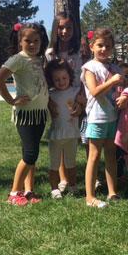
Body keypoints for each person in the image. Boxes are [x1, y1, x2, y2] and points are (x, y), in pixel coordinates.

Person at [0, 22, 50, 206]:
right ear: (20, 41)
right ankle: (13, 193)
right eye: (28, 41)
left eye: (36, 41)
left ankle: (29, 191)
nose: (32, 44)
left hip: (40, 114)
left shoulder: (39, 59)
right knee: (30, 154)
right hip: (26, 115)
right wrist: (11, 100)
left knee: (32, 154)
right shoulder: (18, 59)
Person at [80, 28, 128, 208]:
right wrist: (112, 81)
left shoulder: (115, 68)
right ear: (92, 46)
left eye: (108, 46)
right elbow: (94, 91)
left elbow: (122, 89)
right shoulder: (89, 67)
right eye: (100, 45)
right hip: (96, 118)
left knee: (110, 155)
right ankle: (90, 196)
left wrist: (124, 96)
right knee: (94, 156)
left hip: (112, 117)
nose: (104, 49)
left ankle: (112, 192)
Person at [46, 11, 86, 189]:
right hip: (57, 99)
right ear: (55, 29)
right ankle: (62, 179)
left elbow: (84, 77)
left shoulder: (79, 51)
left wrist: (81, 100)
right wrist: (49, 102)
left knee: (71, 137)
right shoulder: (50, 53)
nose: (64, 31)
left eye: (68, 27)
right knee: (60, 136)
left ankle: (72, 178)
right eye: (60, 28)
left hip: (76, 97)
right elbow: (46, 78)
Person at [45, 59, 83, 199]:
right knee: (54, 164)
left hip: (72, 134)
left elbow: (84, 100)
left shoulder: (75, 91)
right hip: (56, 135)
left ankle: (72, 185)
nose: (61, 82)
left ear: (69, 76)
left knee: (71, 163)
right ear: (51, 80)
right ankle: (54, 189)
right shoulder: (50, 95)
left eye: (64, 78)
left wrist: (81, 104)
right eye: (57, 79)